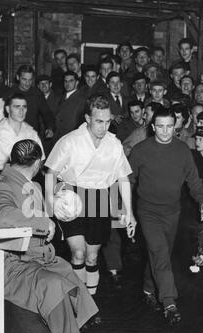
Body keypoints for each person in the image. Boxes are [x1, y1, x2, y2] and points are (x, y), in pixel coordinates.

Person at [0, 139, 98, 333]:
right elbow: (1, 217)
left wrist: (58, 201)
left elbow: (42, 213)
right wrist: (41, 222)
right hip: (14, 265)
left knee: (68, 272)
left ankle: (75, 324)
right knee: (54, 284)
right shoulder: (2, 186)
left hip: (38, 258)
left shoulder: (31, 185)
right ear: (38, 163)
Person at [45, 95, 136, 300]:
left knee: (92, 257)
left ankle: (90, 301)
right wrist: (50, 207)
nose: (103, 127)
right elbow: (50, 173)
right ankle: (80, 305)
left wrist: (129, 213)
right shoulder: (70, 141)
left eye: (107, 122)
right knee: (78, 254)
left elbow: (123, 179)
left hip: (100, 199)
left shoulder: (114, 144)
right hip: (72, 196)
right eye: (98, 121)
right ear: (87, 118)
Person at [129, 107, 203, 324]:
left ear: (175, 127)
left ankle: (149, 288)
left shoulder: (183, 150)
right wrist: (125, 211)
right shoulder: (140, 150)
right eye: (160, 127)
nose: (165, 131)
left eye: (169, 127)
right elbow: (128, 181)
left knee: (159, 253)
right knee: (161, 252)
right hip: (147, 211)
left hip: (172, 212)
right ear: (153, 127)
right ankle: (169, 302)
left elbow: (193, 180)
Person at [0, 93, 44, 175]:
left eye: (24, 107)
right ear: (7, 109)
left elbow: (40, 159)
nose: (21, 111)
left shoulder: (31, 133)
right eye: (17, 107)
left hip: (24, 177)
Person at [8, 64, 55, 138]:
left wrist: (50, 128)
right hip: (12, 134)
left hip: (31, 134)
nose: (27, 83)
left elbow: (47, 113)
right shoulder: (10, 93)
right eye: (24, 79)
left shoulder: (37, 94)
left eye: (30, 80)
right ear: (18, 77)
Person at [54, 71, 86, 142]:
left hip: (72, 138)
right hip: (58, 138)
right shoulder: (60, 98)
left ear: (77, 82)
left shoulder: (82, 99)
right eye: (65, 81)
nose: (67, 84)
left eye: (71, 81)